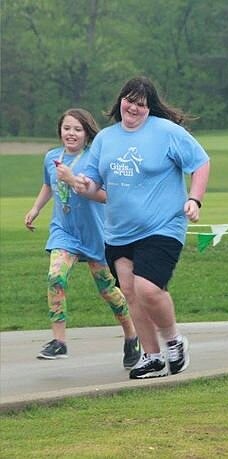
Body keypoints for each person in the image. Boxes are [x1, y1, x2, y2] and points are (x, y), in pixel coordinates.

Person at [64, 77, 210, 379]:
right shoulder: (106, 138)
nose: (133, 107)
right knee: (130, 292)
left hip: (162, 225)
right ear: (121, 102)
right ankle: (152, 356)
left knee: (148, 289)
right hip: (118, 230)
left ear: (149, 108)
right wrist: (79, 183)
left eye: (141, 104)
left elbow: (200, 162)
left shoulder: (167, 132)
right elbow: (93, 182)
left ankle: (174, 341)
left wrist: (195, 199)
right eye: (129, 101)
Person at [24, 108, 141, 367]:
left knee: (108, 290)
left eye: (77, 129)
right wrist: (36, 208)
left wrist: (73, 178)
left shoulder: (94, 159)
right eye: (67, 128)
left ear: (87, 133)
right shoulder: (52, 157)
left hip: (96, 234)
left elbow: (106, 193)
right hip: (64, 231)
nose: (71, 134)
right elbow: (48, 184)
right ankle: (59, 342)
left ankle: (132, 335)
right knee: (56, 277)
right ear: (60, 131)